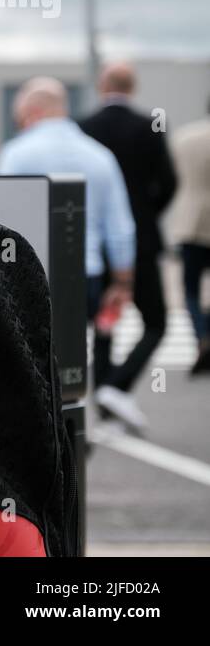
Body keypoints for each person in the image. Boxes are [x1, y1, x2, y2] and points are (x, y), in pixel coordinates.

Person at [0, 77, 142, 430]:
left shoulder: (17, 152)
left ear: (32, 112)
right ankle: (72, 423)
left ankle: (46, 431)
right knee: (74, 356)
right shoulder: (100, 156)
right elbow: (120, 226)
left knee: (32, 357)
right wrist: (122, 282)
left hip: (30, 271)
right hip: (85, 272)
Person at [79, 62, 179, 421]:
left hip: (97, 239)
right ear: (132, 87)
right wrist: (148, 213)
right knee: (156, 321)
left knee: (106, 318)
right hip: (141, 237)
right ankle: (117, 385)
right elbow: (168, 181)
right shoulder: (149, 125)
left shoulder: (84, 127)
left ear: (101, 85)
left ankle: (105, 392)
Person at [169, 96, 210, 374]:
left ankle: (201, 336)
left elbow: (170, 179)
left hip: (191, 217)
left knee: (191, 287)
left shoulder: (184, 138)